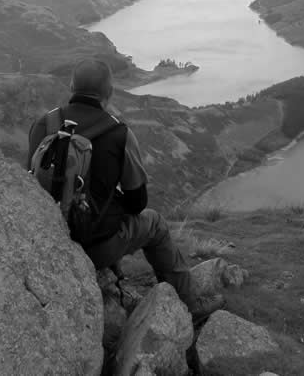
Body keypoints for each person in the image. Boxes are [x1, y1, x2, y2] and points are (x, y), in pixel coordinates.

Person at [27, 58, 224, 322]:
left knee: (104, 210)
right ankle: (190, 305)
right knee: (154, 223)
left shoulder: (44, 124)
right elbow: (137, 203)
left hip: (46, 241)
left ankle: (115, 284)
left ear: (72, 86)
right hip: (93, 247)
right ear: (109, 93)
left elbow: (29, 184)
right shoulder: (118, 133)